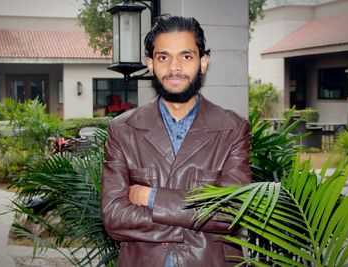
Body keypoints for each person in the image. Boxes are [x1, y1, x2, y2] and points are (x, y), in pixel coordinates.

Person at [101, 15, 251, 267]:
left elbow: (230, 213)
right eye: (163, 57)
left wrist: (151, 197)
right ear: (150, 64)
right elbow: (114, 217)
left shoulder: (232, 129)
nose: (174, 68)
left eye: (186, 56)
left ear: (203, 62)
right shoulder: (123, 129)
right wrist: (190, 224)